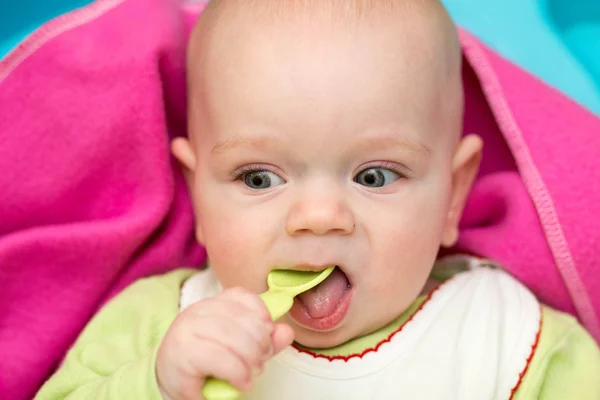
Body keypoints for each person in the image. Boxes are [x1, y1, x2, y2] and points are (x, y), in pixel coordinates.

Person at [36, 1, 600, 399]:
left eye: (376, 176)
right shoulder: (156, 324)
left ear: (451, 196)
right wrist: (157, 386)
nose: (319, 218)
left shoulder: (507, 338)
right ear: (197, 195)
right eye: (258, 178)